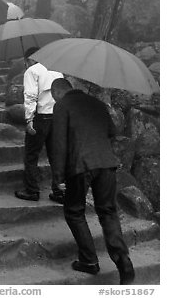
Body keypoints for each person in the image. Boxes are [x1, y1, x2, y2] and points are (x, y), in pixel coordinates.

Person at [50, 78, 135, 285]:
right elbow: (112, 131)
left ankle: (89, 260)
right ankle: (124, 262)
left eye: (53, 96)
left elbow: (58, 143)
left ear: (58, 92)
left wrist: (58, 176)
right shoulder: (97, 103)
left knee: (74, 211)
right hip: (106, 163)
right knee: (108, 211)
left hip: (80, 165)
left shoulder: (61, 106)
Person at [14, 47, 64, 203]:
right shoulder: (57, 71)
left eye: (26, 61)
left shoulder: (32, 71)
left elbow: (30, 97)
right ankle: (59, 191)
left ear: (29, 59)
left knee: (31, 155)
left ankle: (32, 190)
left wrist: (29, 120)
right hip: (57, 117)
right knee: (55, 156)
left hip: (40, 118)